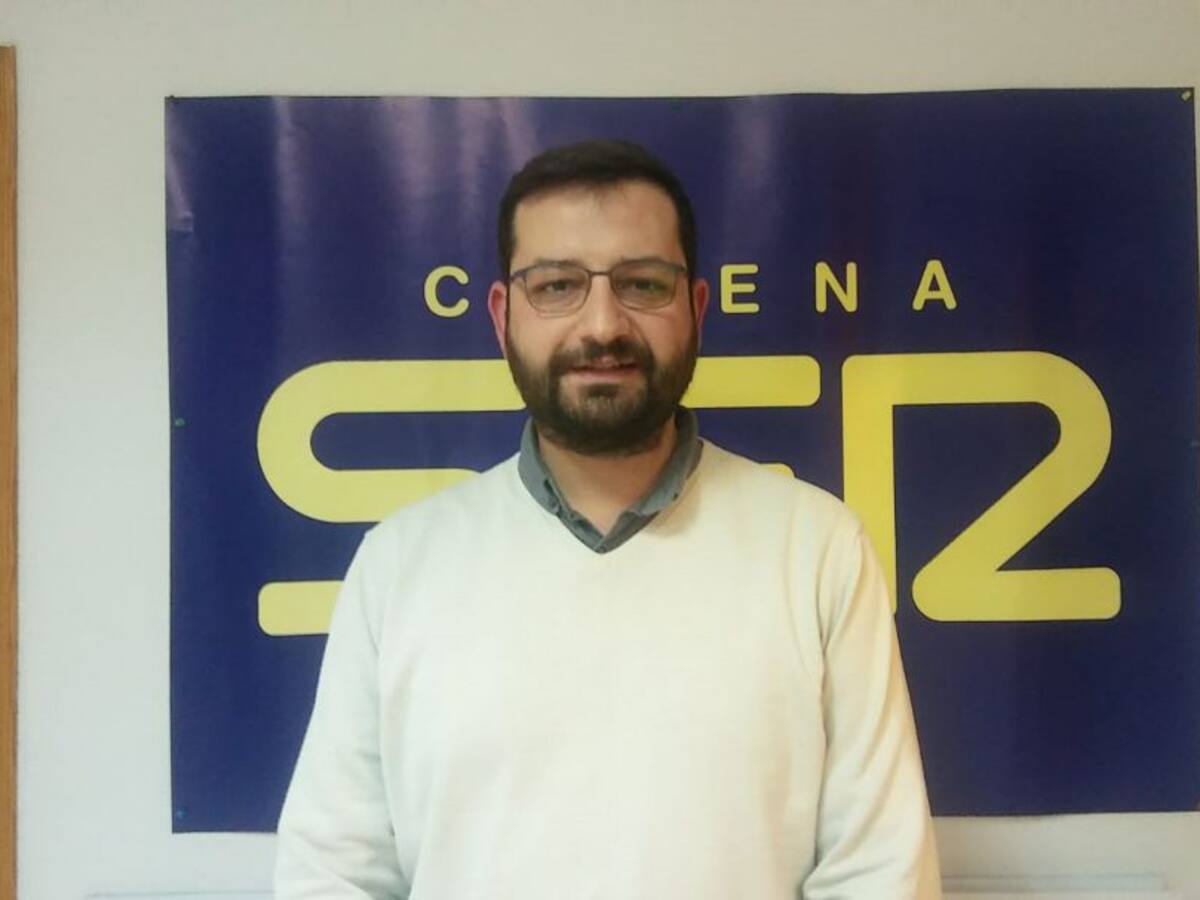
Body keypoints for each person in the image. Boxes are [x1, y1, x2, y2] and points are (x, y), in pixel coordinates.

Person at [274, 139, 941, 899]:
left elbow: (880, 873)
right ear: (502, 315)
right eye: (556, 285)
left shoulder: (816, 548)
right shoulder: (400, 564)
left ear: (696, 309)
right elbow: (334, 873)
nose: (602, 325)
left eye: (643, 284)